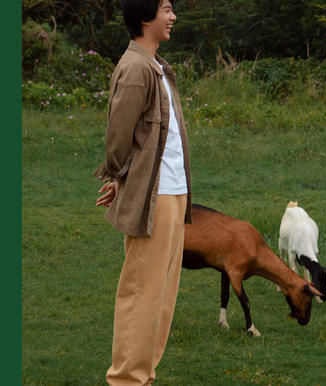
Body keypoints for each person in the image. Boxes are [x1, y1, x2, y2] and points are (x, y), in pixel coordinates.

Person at [94, 0, 192, 384]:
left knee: (162, 298)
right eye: (166, 9)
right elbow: (119, 135)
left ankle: (144, 375)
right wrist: (118, 176)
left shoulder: (158, 67)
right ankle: (126, 380)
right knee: (141, 296)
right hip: (155, 197)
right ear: (145, 16)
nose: (172, 17)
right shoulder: (135, 68)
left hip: (174, 193)